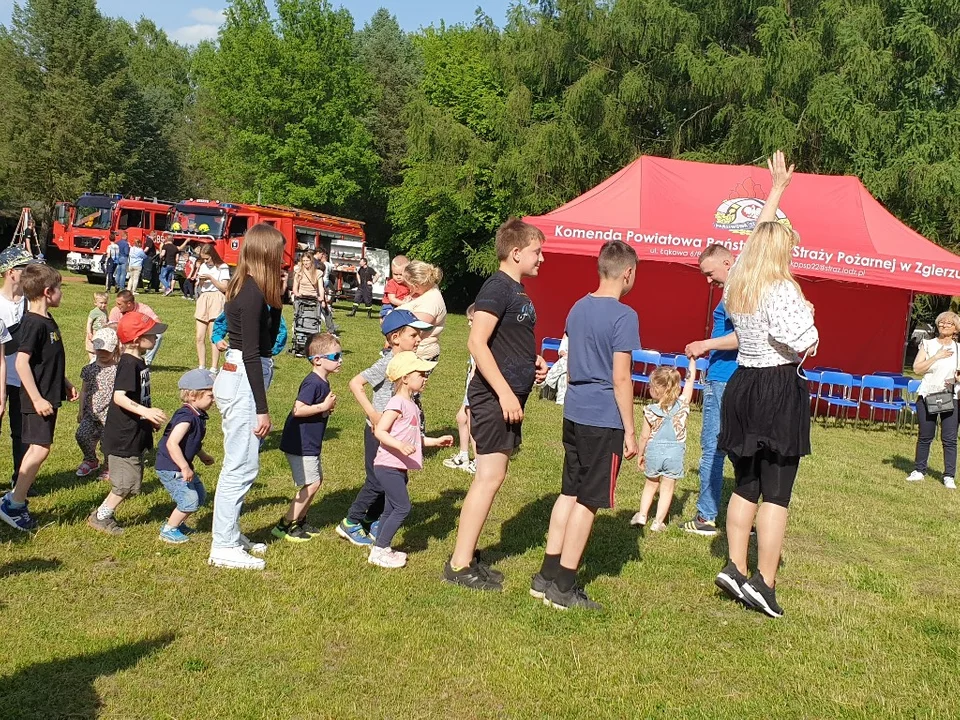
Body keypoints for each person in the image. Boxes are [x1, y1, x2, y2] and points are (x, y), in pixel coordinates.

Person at [713, 151, 819, 619]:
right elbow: (805, 341)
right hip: (778, 386)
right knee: (776, 494)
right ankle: (764, 582)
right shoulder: (782, 288)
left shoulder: (738, 280)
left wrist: (776, 191)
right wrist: (811, 316)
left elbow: (759, 234)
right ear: (784, 252)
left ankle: (735, 568)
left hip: (743, 384)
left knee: (745, 484)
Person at [532, 240, 640, 611]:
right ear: (627, 273)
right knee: (588, 502)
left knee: (569, 492)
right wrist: (630, 429)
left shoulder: (578, 307)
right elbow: (622, 378)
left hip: (574, 410)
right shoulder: (624, 316)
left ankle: (545, 575)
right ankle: (563, 585)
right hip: (603, 416)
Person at [444, 218, 549, 591]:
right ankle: (458, 564)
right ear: (516, 252)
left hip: (506, 397)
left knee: (493, 477)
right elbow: (477, 342)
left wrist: (531, 361)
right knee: (489, 477)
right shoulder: (497, 287)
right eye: (537, 252)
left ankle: (467, 555)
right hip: (492, 399)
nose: (542, 258)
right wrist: (505, 392)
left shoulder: (516, 291)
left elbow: (506, 340)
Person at [209, 224, 283, 570]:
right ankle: (222, 545)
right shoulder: (251, 293)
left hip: (240, 376)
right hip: (243, 378)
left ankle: (230, 531)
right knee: (239, 465)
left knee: (242, 462)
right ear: (267, 253)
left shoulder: (252, 288)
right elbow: (252, 353)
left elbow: (266, 340)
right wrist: (262, 410)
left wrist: (280, 302)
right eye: (280, 252)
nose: (284, 258)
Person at [337, 309, 432, 546]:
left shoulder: (408, 363)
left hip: (397, 433)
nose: (418, 339)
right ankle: (350, 522)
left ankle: (372, 519)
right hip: (379, 432)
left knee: (397, 478)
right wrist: (373, 414)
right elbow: (355, 383)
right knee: (377, 480)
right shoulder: (387, 363)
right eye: (413, 334)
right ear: (395, 338)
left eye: (419, 334)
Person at [0, 264, 78, 531]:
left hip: (48, 394)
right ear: (48, 292)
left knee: (38, 449)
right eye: (59, 289)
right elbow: (22, 363)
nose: (61, 294)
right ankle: (14, 503)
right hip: (38, 399)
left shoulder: (46, 320)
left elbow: (48, 360)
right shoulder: (34, 323)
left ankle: (14, 498)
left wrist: (64, 382)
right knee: (40, 449)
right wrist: (37, 399)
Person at [368, 351, 453, 568]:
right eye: (422, 374)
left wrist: (436, 441)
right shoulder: (397, 403)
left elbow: (414, 439)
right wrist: (398, 445)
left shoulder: (412, 405)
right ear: (405, 378)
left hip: (398, 467)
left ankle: (380, 545)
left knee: (390, 508)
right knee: (402, 507)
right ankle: (380, 551)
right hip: (387, 465)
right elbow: (380, 431)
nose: (426, 378)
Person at [89, 312, 168, 535]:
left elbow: (138, 396)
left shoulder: (138, 361)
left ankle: (103, 515)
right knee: (124, 484)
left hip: (134, 431)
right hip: (122, 436)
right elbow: (120, 397)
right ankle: (100, 517)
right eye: (150, 334)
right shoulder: (128, 364)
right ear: (136, 340)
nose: (155, 337)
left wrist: (147, 419)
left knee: (132, 482)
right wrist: (146, 411)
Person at [680, 244, 739, 536]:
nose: (707, 281)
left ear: (728, 263)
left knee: (712, 451)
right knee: (742, 451)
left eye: (710, 273)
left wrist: (704, 345)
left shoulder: (734, 292)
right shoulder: (746, 289)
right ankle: (743, 518)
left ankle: (706, 516)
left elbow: (743, 335)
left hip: (723, 378)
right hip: (737, 380)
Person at [272, 333, 341, 543]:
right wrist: (323, 407)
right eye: (336, 356)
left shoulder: (322, 381)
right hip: (300, 443)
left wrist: (323, 412)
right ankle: (284, 526)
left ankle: (300, 521)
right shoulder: (313, 383)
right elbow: (298, 410)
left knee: (316, 482)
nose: (340, 360)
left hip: (310, 441)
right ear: (318, 360)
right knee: (311, 484)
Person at [631, 359, 698, 531]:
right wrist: (692, 361)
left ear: (657, 389)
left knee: (651, 484)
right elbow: (690, 381)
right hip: (675, 453)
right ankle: (658, 522)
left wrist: (641, 454)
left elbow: (645, 436)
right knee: (667, 488)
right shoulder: (683, 405)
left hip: (654, 451)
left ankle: (642, 515)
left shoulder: (650, 410)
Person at [155, 369, 217, 544]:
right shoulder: (186, 417)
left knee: (200, 495)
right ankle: (168, 530)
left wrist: (202, 455)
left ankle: (178, 522)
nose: (213, 400)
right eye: (210, 396)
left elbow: (191, 442)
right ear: (192, 395)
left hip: (179, 465)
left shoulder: (197, 415)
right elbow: (172, 443)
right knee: (190, 501)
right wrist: (184, 467)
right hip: (171, 467)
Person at [907, 311, 960, 488]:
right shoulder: (928, 344)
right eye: (941, 322)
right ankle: (919, 470)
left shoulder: (959, 349)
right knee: (925, 435)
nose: (944, 325)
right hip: (928, 395)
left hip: (950, 396)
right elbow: (916, 368)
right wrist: (936, 356)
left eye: (948, 323)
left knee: (950, 438)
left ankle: (949, 476)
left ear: (956, 329)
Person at [0, 246, 34, 491]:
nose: (30, 273)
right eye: (25, 268)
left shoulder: (32, 303)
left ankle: (20, 478)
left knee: (22, 433)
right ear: (11, 272)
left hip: (24, 380)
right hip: (0, 379)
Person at [75, 328, 119, 479]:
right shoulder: (89, 369)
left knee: (108, 442)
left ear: (114, 349)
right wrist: (81, 410)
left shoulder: (117, 370)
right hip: (91, 412)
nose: (102, 353)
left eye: (106, 350)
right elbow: (84, 390)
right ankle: (91, 460)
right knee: (81, 435)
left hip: (110, 415)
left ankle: (109, 466)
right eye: (99, 349)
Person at [443, 303, 477, 474]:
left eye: (472, 320)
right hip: (469, 384)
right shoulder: (474, 338)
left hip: (475, 386)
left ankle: (478, 460)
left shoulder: (481, 340)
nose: (469, 324)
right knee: (461, 417)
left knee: (473, 422)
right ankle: (464, 455)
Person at [194, 246, 230, 372]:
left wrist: (210, 278)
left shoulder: (222, 267)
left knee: (213, 335)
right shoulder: (203, 266)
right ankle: (201, 366)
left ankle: (213, 367)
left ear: (213, 256)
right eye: (203, 259)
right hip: (204, 297)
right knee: (199, 336)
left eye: (207, 259)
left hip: (217, 297)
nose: (205, 261)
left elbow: (224, 287)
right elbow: (201, 285)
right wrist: (201, 281)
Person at [401, 261, 446, 362]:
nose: (406, 287)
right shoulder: (427, 293)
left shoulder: (431, 302)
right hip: (412, 352)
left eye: (407, 284)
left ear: (415, 285)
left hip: (419, 355)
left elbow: (412, 329)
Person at [109, 291, 164, 366]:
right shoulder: (115, 311)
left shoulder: (143, 309)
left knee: (159, 335)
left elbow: (158, 324)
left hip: (139, 337)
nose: (117, 306)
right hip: (122, 339)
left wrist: (143, 331)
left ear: (128, 304)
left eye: (119, 304)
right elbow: (110, 331)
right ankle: (117, 361)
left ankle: (147, 362)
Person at [85, 291, 109, 362]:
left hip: (102, 333)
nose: (103, 305)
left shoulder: (105, 311)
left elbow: (106, 320)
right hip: (94, 333)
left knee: (100, 349)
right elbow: (89, 323)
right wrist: (89, 333)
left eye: (105, 303)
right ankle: (92, 362)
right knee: (92, 349)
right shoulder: (94, 312)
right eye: (101, 303)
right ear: (95, 303)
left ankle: (98, 361)